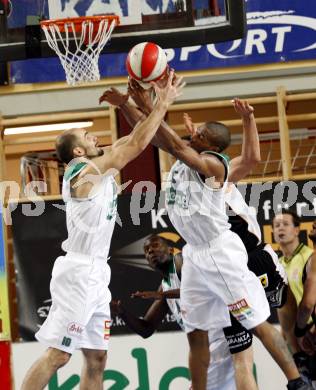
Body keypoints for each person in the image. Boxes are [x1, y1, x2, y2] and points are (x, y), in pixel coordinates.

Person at [100, 78, 311, 390]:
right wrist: (127, 105)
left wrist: (155, 102)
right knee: (196, 331)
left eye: (201, 134)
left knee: (257, 322)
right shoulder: (186, 154)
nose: (193, 132)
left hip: (219, 251)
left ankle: (297, 381)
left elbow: (174, 143)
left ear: (212, 146)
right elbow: (152, 133)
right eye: (195, 131)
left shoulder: (212, 164)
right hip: (195, 253)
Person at [21, 70, 184, 390]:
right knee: (58, 355)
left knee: (97, 360)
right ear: (78, 152)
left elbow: (140, 135)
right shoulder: (82, 171)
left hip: (97, 273)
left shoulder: (102, 166)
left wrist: (131, 103)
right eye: (87, 136)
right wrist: (161, 103)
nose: (95, 137)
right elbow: (136, 143)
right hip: (79, 272)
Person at [112, 234, 238, 390]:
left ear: (171, 250)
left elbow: (199, 288)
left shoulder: (180, 261)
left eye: (155, 245)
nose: (150, 251)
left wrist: (161, 295)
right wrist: (121, 312)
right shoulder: (164, 286)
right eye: (146, 250)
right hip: (206, 347)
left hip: (220, 340)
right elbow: (146, 328)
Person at [273, 211, 316, 383]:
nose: (280, 228)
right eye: (276, 225)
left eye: (285, 224)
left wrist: (305, 331)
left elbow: (308, 303)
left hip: (309, 331)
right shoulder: (277, 266)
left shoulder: (309, 256)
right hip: (297, 339)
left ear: (297, 230)